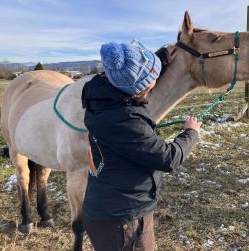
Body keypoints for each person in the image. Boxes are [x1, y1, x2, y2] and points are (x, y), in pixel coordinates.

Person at [81, 41, 202, 251]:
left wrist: (161, 58)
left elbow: (131, 77)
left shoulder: (100, 95)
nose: (155, 80)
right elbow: (168, 158)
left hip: (116, 209)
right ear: (142, 87)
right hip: (122, 221)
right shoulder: (126, 121)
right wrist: (190, 132)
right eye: (152, 77)